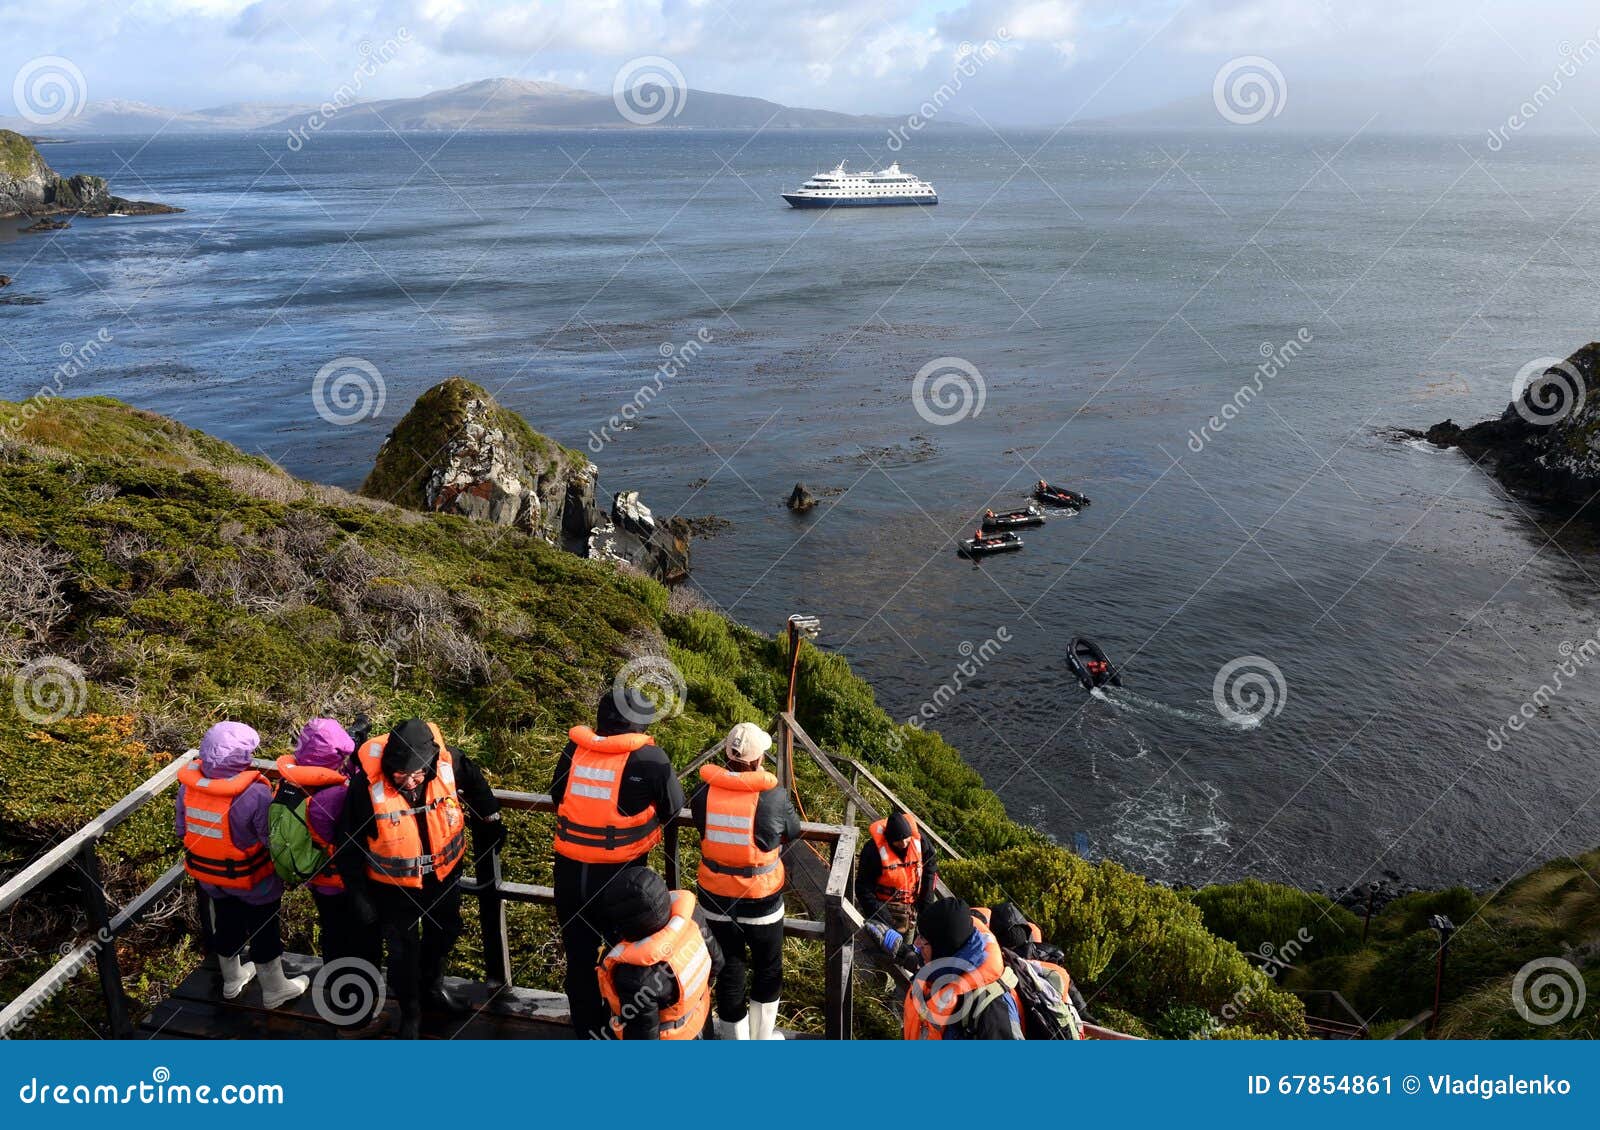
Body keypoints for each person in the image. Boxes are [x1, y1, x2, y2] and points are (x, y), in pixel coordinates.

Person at [335, 718, 504, 1039]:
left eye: (416, 773)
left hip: (443, 878)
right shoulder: (365, 788)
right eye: (401, 774)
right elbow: (348, 844)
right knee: (402, 951)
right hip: (393, 889)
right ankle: (411, 1011)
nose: (409, 781)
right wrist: (358, 895)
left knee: (446, 933)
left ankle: (432, 988)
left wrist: (491, 818)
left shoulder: (447, 763)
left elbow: (477, 781)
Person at [550, 686, 685, 1039]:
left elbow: (556, 794)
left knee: (579, 960)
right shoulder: (651, 760)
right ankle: (617, 1034)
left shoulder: (574, 749)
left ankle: (585, 1033)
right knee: (623, 960)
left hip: (568, 874)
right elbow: (673, 808)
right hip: (620, 882)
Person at [176, 721, 308, 1009]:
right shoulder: (255, 793)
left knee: (226, 922)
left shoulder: (188, 790)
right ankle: (275, 990)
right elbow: (270, 838)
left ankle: (232, 979)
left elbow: (180, 829)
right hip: (255, 881)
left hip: (212, 879)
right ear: (243, 758)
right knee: (264, 929)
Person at [690, 721, 800, 1039]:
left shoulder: (703, 792)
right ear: (757, 760)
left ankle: (733, 1042)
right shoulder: (773, 796)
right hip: (760, 899)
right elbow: (793, 830)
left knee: (729, 968)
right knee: (768, 968)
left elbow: (702, 825)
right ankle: (762, 1039)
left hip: (714, 896)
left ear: (727, 755)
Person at [273, 717, 381, 971]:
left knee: (333, 931)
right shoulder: (337, 795)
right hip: (344, 881)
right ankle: (363, 990)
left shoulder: (290, 783)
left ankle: (335, 981)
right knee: (362, 937)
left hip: (317, 877)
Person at [596, 869, 723, 1040]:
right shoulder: (693, 917)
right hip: (701, 1024)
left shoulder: (635, 976)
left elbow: (642, 1038)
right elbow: (717, 962)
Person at [901, 897, 1022, 1040]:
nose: (916, 943)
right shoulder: (942, 968)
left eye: (923, 938)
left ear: (943, 948)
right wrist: (901, 951)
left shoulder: (991, 1010)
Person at [855, 809, 938, 934]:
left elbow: (930, 871)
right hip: (884, 907)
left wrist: (925, 907)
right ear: (889, 839)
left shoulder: (921, 842)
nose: (904, 844)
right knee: (887, 946)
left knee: (911, 943)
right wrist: (884, 918)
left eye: (906, 838)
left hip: (912, 908)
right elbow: (863, 888)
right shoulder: (873, 851)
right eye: (898, 841)